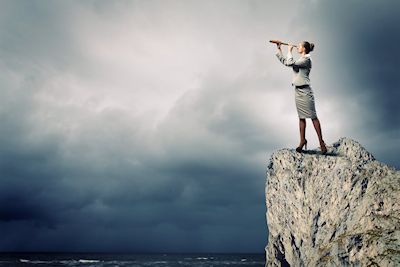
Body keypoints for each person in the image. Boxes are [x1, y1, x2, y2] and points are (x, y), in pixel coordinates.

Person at [275, 41, 327, 154]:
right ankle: (302, 140)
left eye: (299, 45)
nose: (297, 46)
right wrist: (280, 50)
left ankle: (321, 142)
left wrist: (289, 51)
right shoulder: (299, 60)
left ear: (304, 49)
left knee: (313, 117)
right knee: (301, 117)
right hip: (297, 91)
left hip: (306, 91)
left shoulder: (306, 60)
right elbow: (286, 62)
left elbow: (290, 63)